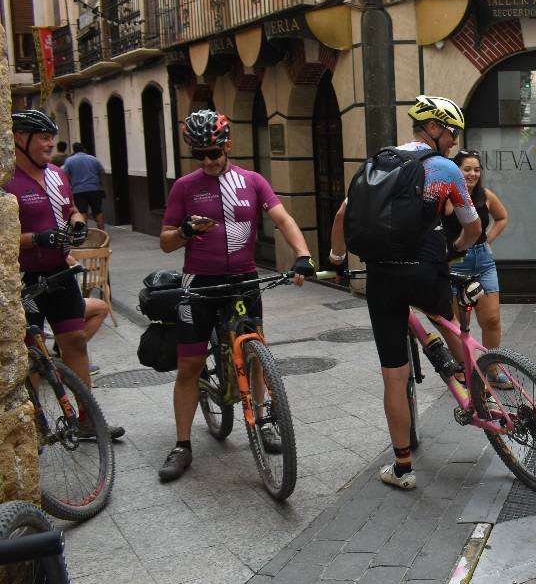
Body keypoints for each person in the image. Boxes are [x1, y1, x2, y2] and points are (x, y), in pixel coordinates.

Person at [329, 95, 481, 490]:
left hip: (381, 279)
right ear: (433, 128)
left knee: (393, 378)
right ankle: (475, 385)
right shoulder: (444, 169)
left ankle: (402, 468)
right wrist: (456, 248)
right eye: (450, 133)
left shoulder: (377, 163)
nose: (452, 141)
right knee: (447, 321)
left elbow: (344, 214)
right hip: (424, 269)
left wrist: (336, 256)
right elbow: (473, 227)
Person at [157, 109, 316, 482]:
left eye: (213, 152)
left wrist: (303, 254)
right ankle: (182, 445)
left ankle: (263, 421)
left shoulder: (252, 181)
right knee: (190, 366)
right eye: (200, 155)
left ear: (227, 146)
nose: (208, 161)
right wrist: (184, 231)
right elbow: (165, 241)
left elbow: (283, 219)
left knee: (255, 352)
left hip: (243, 279)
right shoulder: (184, 187)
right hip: (200, 284)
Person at [6, 109, 123, 440]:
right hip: (23, 278)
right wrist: (36, 239)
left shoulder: (58, 175)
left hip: (59, 274)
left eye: (51, 137)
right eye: (43, 137)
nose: (49, 144)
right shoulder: (7, 181)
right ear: (20, 138)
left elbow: (69, 208)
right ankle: (36, 425)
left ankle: (87, 419)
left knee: (74, 340)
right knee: (30, 353)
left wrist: (76, 220)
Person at [443, 148, 510, 387]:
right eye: (466, 169)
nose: (472, 174)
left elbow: (502, 217)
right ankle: (464, 368)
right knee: (458, 322)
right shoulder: (447, 196)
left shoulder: (485, 195)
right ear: (456, 171)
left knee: (491, 319)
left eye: (477, 169)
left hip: (482, 261)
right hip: (454, 263)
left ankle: (491, 368)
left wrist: (486, 240)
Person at [63, 142, 107, 230]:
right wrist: (98, 181)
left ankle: (84, 232)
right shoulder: (94, 159)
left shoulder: (69, 160)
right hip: (94, 189)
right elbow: (102, 171)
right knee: (98, 211)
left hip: (78, 190)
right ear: (83, 149)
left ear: (74, 150)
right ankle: (103, 232)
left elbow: (65, 174)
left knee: (82, 211)